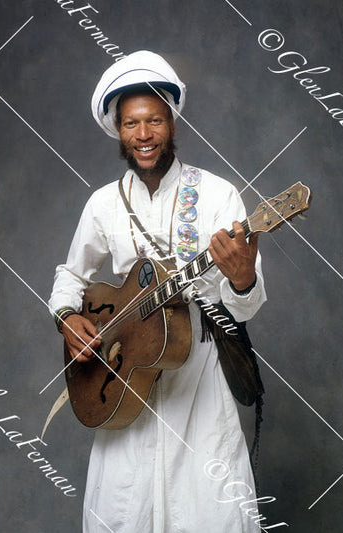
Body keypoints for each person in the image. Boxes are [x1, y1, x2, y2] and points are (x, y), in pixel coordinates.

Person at [49, 50, 267, 533]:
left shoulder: (218, 195)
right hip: (123, 380)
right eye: (131, 124)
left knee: (212, 512)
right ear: (118, 130)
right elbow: (70, 275)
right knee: (124, 512)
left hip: (200, 383)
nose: (143, 135)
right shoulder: (103, 203)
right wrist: (68, 318)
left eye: (153, 121)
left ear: (171, 122)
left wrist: (242, 276)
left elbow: (243, 305)